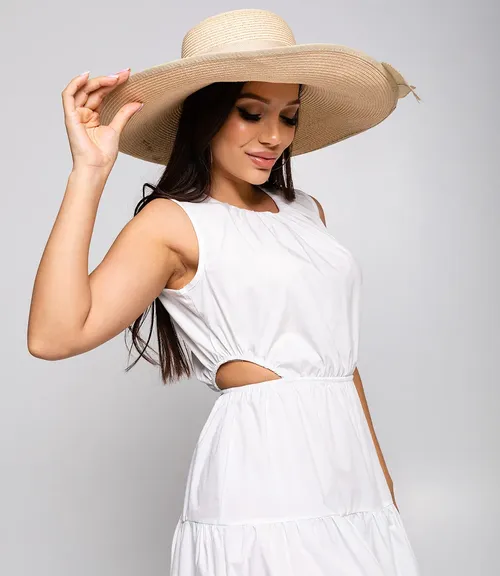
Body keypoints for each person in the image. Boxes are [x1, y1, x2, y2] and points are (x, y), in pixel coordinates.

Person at [28, 8, 422, 576]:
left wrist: (381, 482)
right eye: (250, 112)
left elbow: (340, 360)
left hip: (350, 468)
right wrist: (89, 173)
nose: (274, 136)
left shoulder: (306, 212)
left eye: (289, 116)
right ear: (206, 113)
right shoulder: (172, 223)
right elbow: (53, 336)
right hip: (262, 472)